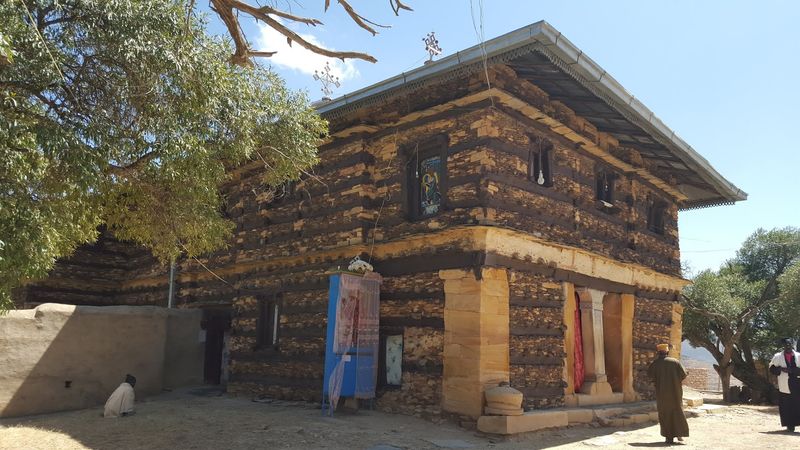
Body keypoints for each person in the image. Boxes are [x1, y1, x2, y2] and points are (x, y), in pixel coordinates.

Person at [648, 343, 689, 445]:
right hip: (675, 393)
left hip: (662, 395)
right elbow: (683, 374)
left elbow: (650, 375)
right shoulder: (675, 362)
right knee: (677, 412)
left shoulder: (655, 364)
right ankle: (679, 433)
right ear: (667, 351)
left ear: (658, 352)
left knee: (665, 414)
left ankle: (668, 438)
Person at [768, 338, 800, 432]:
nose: (788, 346)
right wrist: (781, 369)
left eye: (790, 344)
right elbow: (772, 368)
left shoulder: (798, 355)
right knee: (787, 405)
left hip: (797, 383)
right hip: (785, 383)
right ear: (784, 346)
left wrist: (792, 371)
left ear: (792, 345)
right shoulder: (778, 356)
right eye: (786, 344)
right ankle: (790, 425)